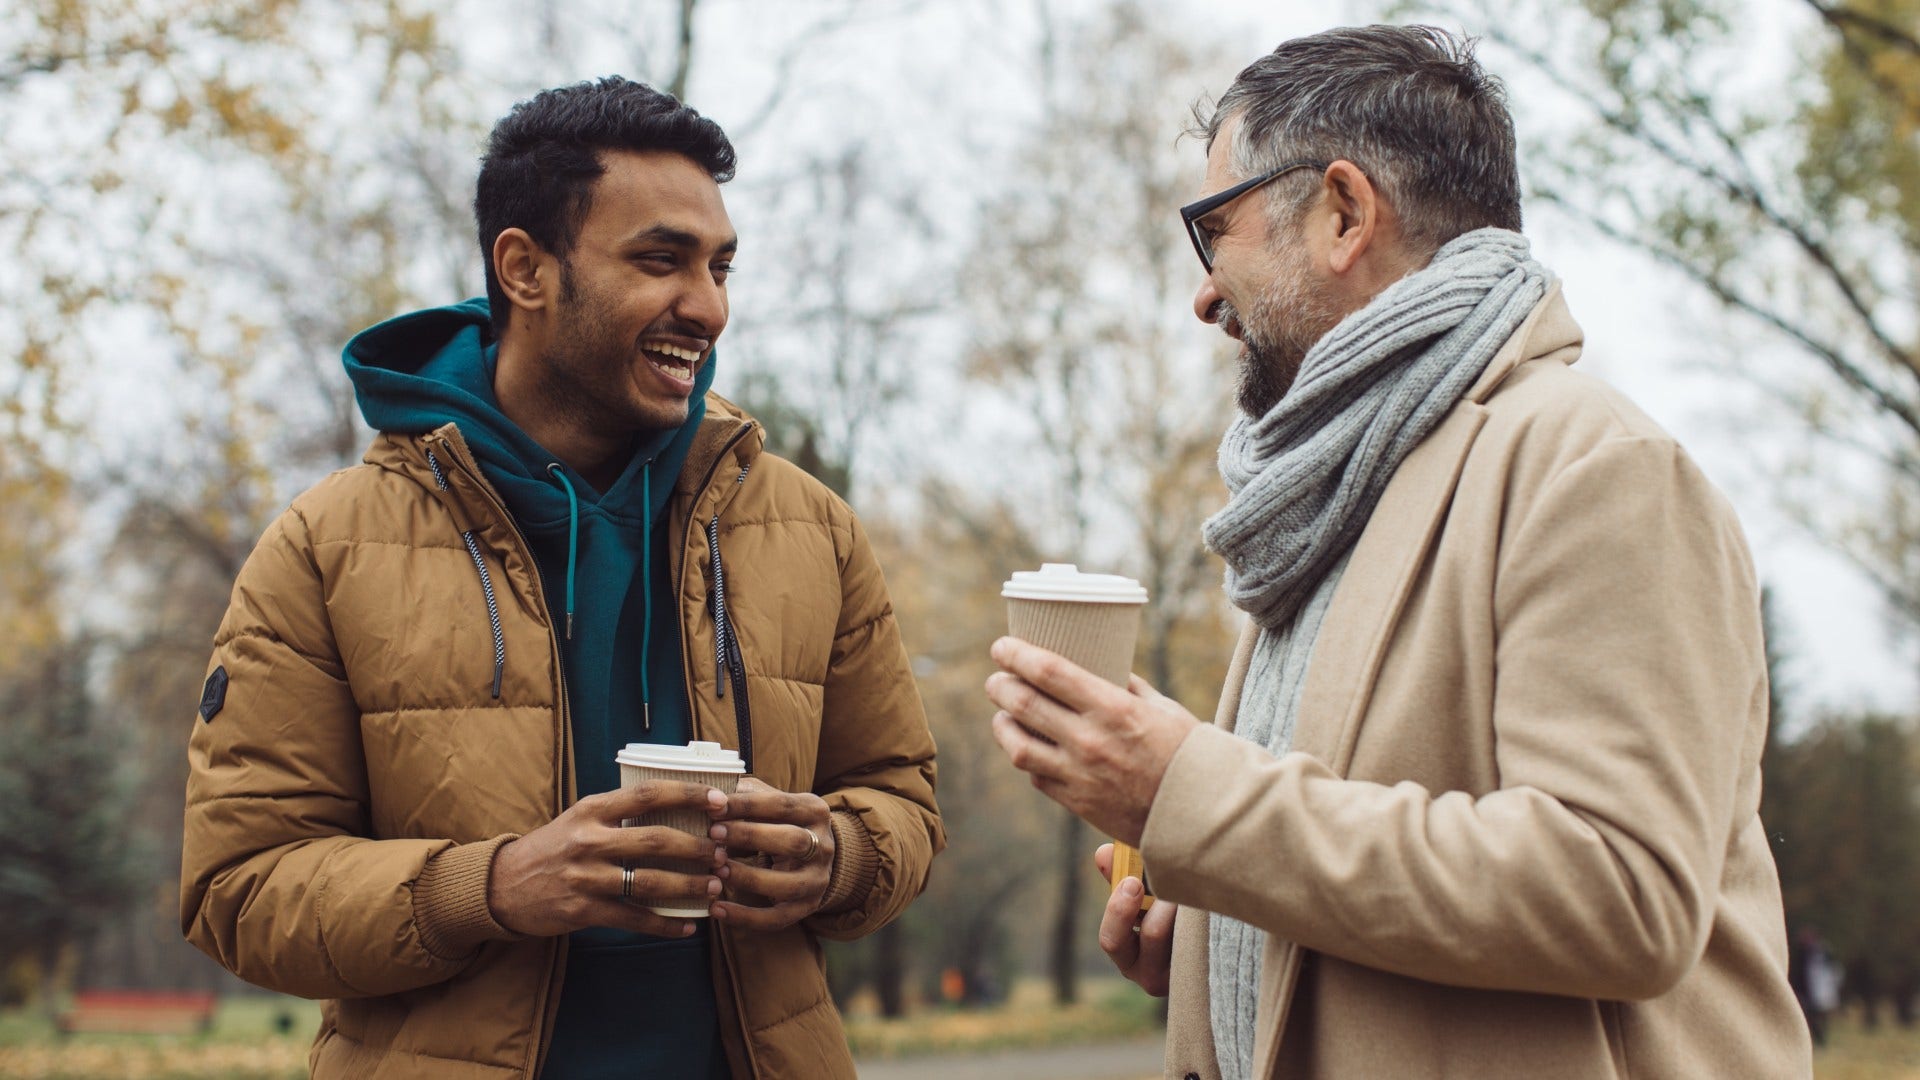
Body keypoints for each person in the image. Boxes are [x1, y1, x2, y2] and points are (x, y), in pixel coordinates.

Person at [984, 25, 1811, 1079]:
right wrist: (1217, 929)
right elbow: (1364, 867)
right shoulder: (1336, 499)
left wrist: (1184, 791)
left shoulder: (1598, 467)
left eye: (1213, 230)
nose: (1203, 293)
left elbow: (1621, 893)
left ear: (1341, 212)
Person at [181, 77, 943, 1080]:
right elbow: (238, 889)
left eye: (720, 266)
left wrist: (839, 855)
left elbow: (902, 800)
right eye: (660, 260)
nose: (707, 307)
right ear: (525, 268)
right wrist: (490, 887)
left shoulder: (810, 529)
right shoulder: (328, 547)